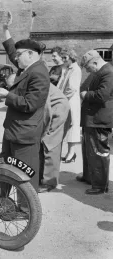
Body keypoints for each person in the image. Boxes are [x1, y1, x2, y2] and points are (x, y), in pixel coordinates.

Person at [0, 23, 50, 192]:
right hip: (13, 131)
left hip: (25, 135)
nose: (15, 58)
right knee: (4, 168)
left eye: (19, 55)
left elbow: (30, 104)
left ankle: (25, 209)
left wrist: (8, 95)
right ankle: (0, 202)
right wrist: (6, 30)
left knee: (24, 174)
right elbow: (12, 52)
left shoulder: (39, 73)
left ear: (31, 54)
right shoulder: (27, 66)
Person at [78, 50, 113, 195]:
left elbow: (102, 95)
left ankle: (100, 186)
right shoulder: (100, 71)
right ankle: (91, 178)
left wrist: (86, 95)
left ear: (95, 62)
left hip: (99, 119)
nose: (87, 71)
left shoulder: (108, 72)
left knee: (98, 153)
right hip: (92, 118)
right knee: (90, 152)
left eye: (88, 67)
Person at [39, 83, 70, 193]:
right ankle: (46, 178)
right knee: (49, 143)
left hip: (58, 112)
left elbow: (46, 110)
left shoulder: (37, 82)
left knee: (50, 144)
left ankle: (49, 183)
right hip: (57, 109)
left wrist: (43, 131)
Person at [57, 48, 82, 163]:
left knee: (72, 128)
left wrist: (61, 99)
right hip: (66, 101)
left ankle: (71, 153)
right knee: (66, 127)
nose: (63, 60)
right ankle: (69, 153)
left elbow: (71, 89)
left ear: (71, 57)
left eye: (65, 58)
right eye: (62, 58)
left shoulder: (75, 69)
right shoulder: (67, 68)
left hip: (71, 102)